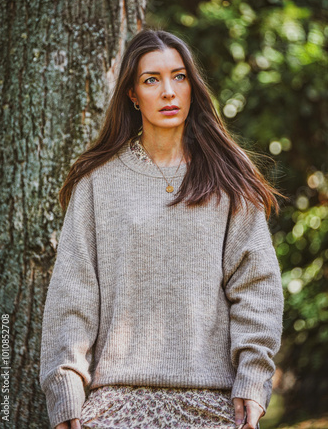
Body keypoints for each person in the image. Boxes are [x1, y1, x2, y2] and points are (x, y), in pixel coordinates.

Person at [39, 28, 285, 429]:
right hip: (115, 404)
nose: (169, 91)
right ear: (133, 95)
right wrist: (65, 391)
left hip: (212, 405)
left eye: (179, 76)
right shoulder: (98, 182)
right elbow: (73, 293)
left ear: (192, 86)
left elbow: (255, 286)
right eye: (152, 79)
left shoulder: (228, 177)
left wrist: (253, 379)